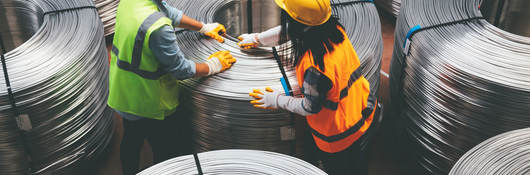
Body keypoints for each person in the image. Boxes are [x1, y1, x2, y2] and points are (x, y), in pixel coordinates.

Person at [242, 0, 378, 174]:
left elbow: (310, 107)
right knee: (358, 166)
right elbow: (292, 30)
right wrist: (258, 39)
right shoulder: (334, 30)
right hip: (361, 111)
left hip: (338, 136)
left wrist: (276, 100)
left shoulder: (315, 68)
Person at [107, 0, 236, 174]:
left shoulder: (131, 2)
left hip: (123, 90)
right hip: (149, 102)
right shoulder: (159, 29)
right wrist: (213, 65)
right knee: (165, 149)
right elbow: (181, 69)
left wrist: (203, 27)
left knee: (131, 140)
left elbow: (167, 11)